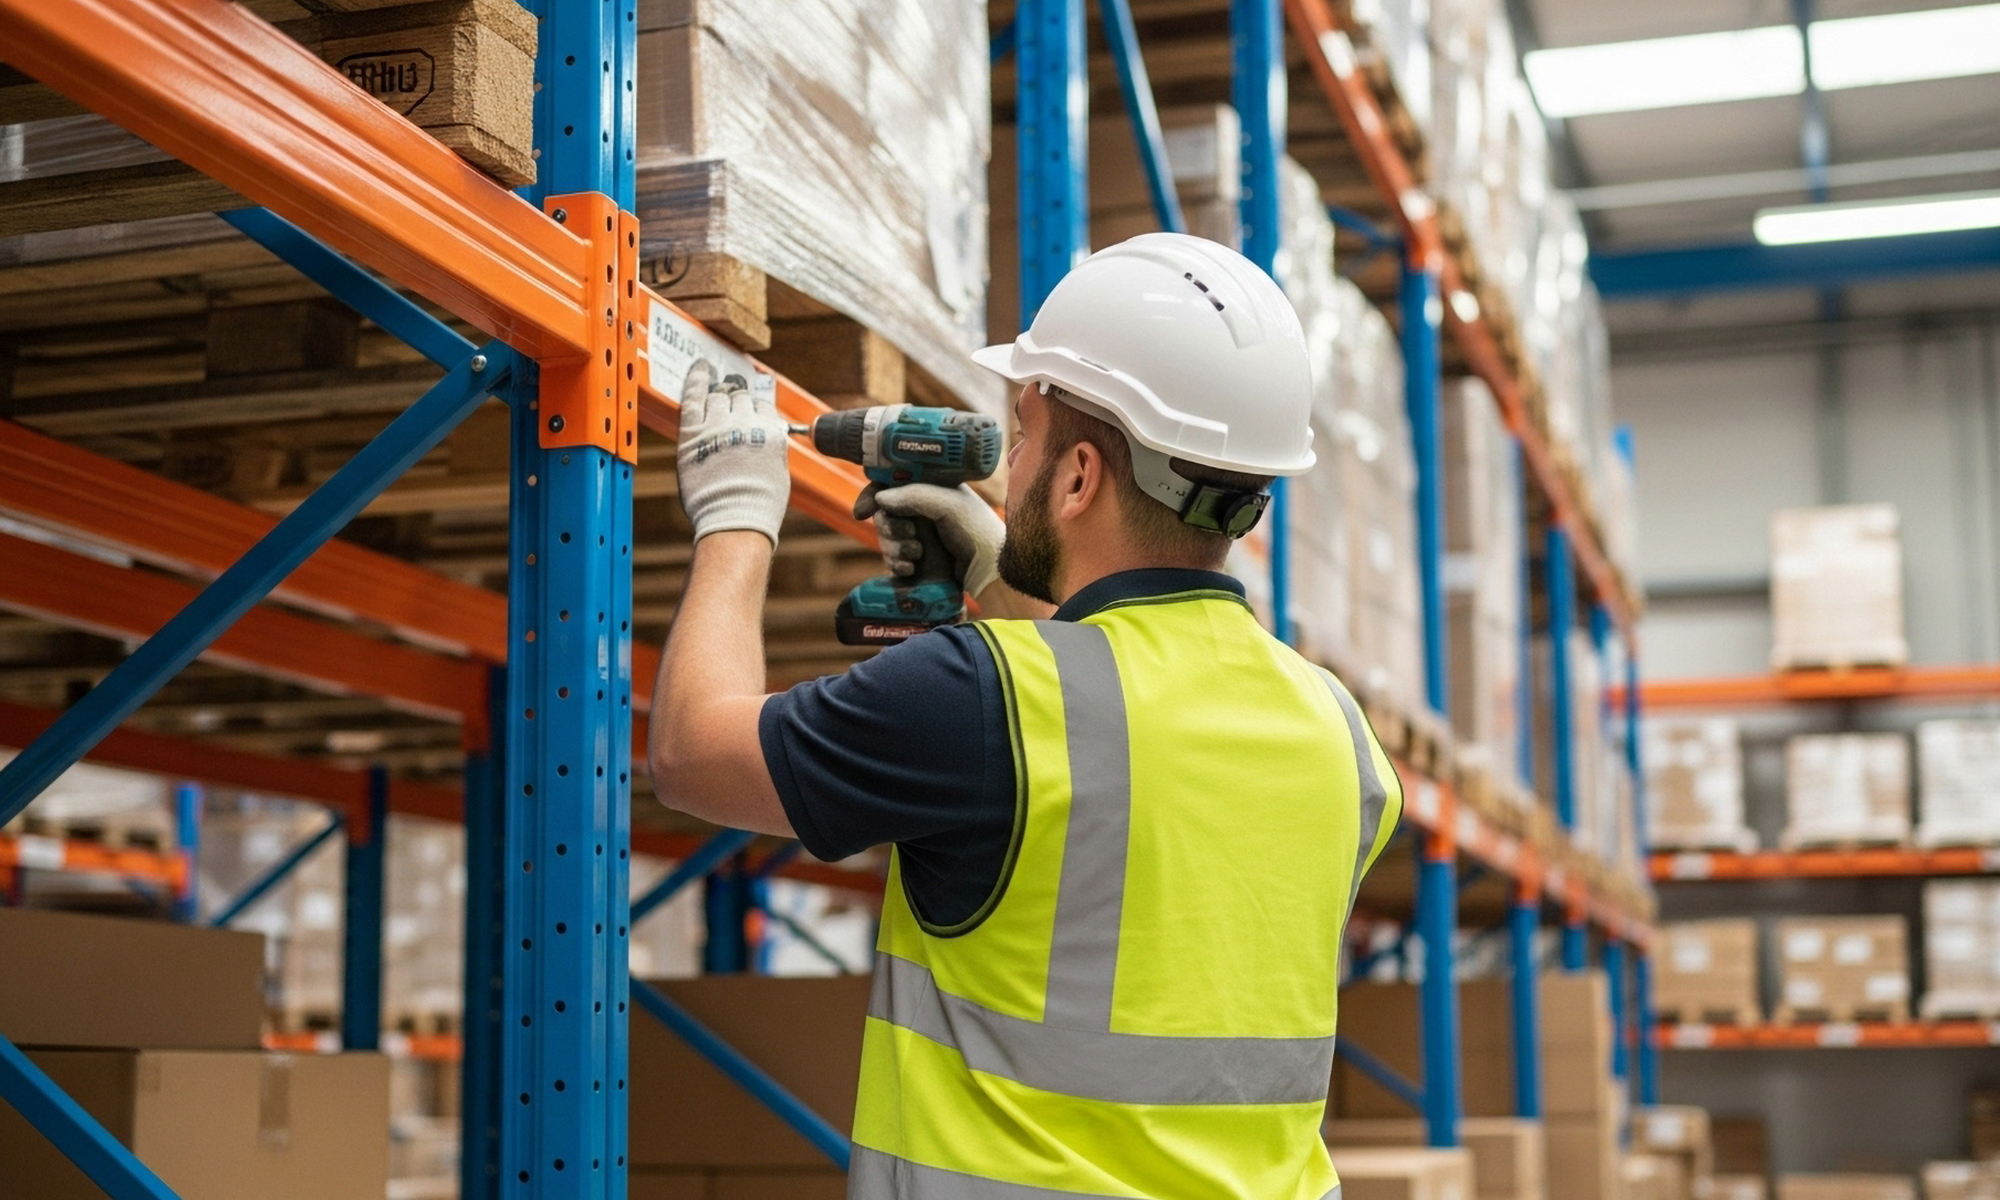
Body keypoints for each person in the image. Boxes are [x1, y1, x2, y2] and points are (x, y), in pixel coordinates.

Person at [650, 232, 1404, 1199]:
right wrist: (993, 576)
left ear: (1081, 476)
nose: (1011, 462)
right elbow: (1134, 762)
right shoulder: (1341, 738)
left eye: (1023, 433)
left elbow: (689, 751)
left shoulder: (983, 695)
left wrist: (737, 514)